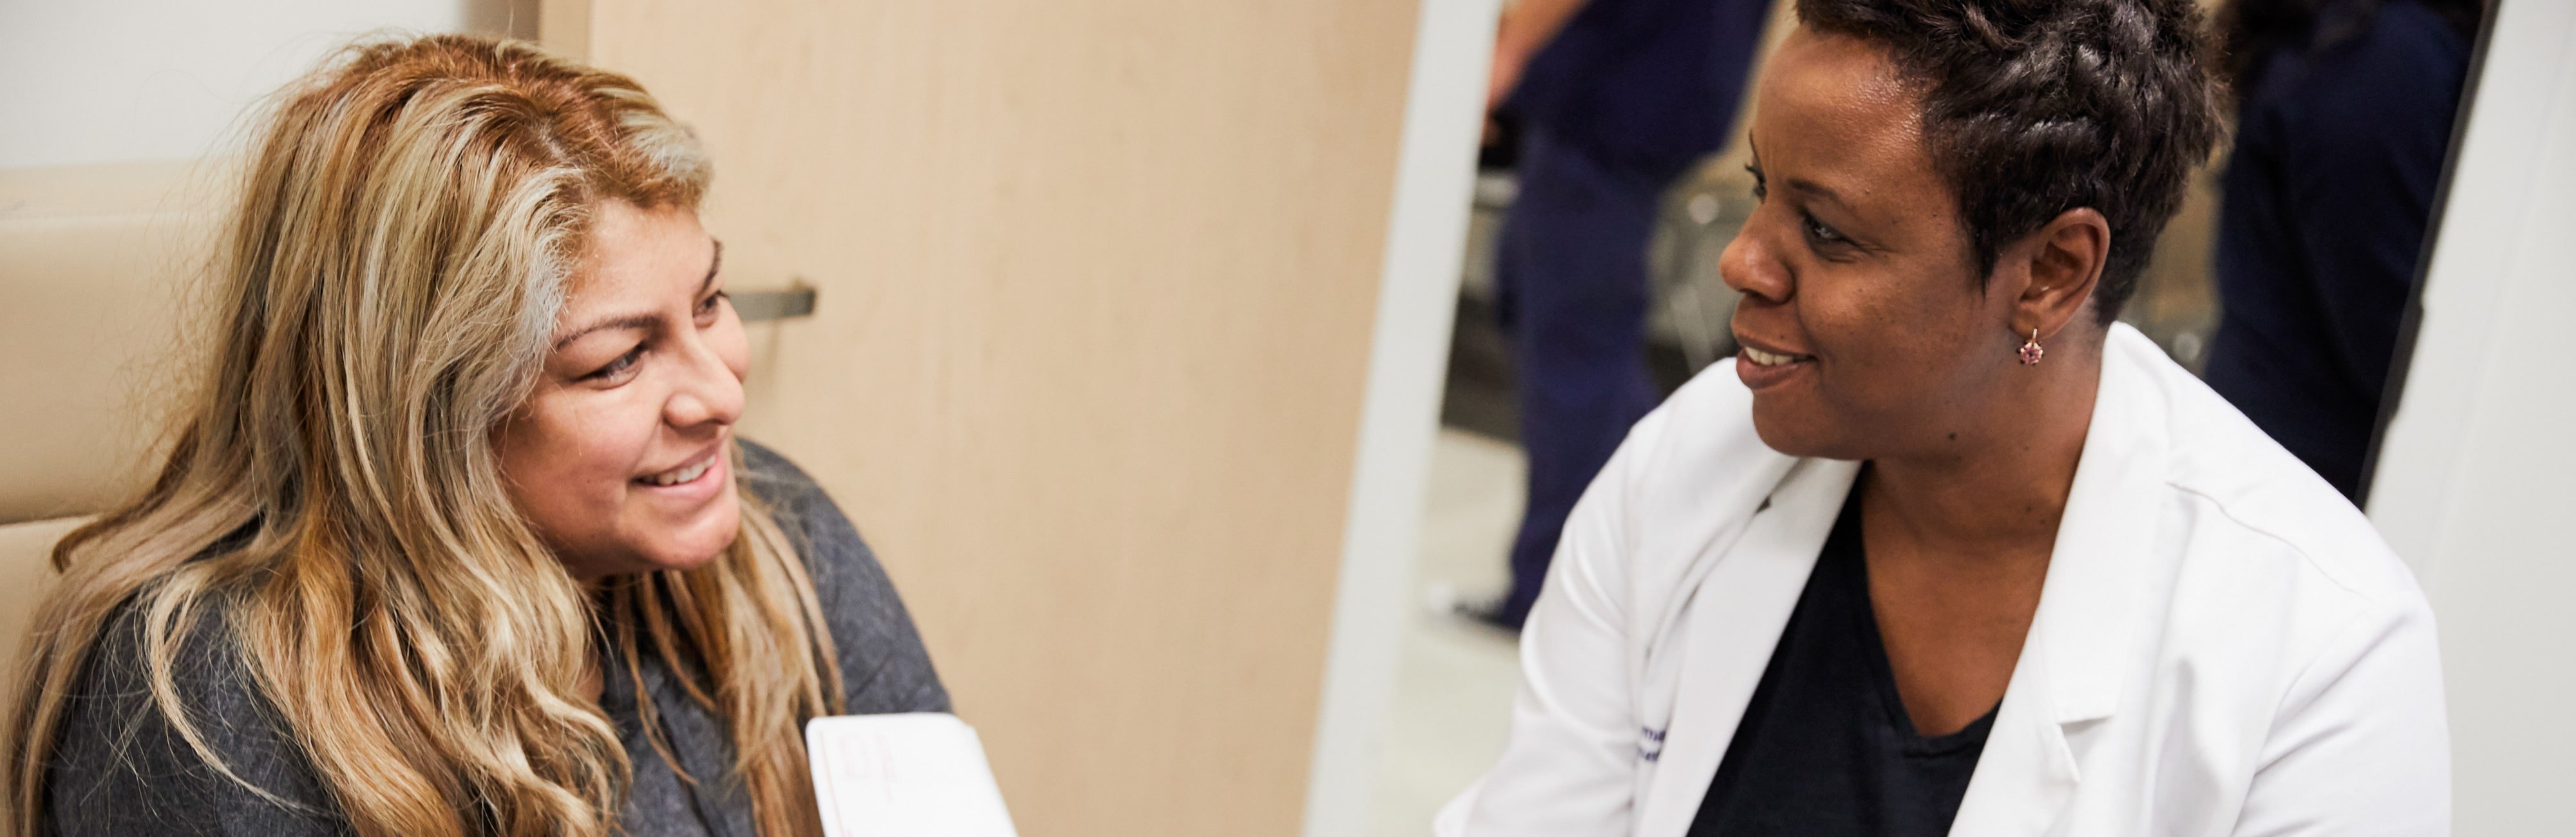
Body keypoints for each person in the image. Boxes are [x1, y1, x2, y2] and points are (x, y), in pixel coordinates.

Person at [1440, 1, 2449, 834]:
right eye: (1760, 191)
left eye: (1827, 232)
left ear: (2053, 273)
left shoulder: (2320, 653)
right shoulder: (1695, 458)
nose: (1741, 261)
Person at [6, 35, 947, 837]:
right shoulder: (209, 700)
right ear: (428, 418)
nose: (719, 396)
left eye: (709, 303)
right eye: (619, 360)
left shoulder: (780, 536)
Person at [1472, 0, 1776, 631]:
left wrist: (1508, 46)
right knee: (1542, 304)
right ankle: (1634, 543)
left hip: (1614, 91)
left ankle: (1557, 592)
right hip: (1663, 82)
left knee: (1574, 350)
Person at [2201, 0, 2481, 501]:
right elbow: (2394, 343)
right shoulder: (2376, 58)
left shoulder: (2360, 38)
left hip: (2281, 465)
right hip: (2308, 487)